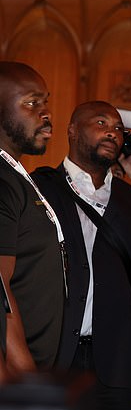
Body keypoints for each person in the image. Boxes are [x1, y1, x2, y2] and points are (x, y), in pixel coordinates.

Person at [31, 101, 131, 410]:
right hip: (53, 361)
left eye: (119, 128)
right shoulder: (38, 191)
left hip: (119, 368)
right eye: (101, 122)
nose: (112, 132)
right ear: (72, 130)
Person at [0, 61, 65, 374]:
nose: (46, 113)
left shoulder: (15, 175)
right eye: (31, 103)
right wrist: (26, 381)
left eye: (45, 102)